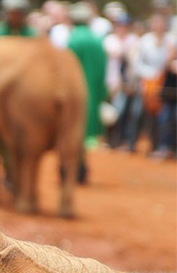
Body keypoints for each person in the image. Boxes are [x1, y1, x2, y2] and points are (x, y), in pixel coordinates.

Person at [67, 2, 107, 183]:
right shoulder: (97, 40)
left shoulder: (73, 40)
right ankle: (82, 167)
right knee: (85, 132)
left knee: (72, 131)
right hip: (93, 93)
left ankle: (74, 169)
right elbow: (103, 72)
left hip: (74, 94)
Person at [126, 14, 176, 153]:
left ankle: (157, 146)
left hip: (163, 85)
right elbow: (137, 63)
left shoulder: (171, 41)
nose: (158, 26)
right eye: (156, 23)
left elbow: (170, 63)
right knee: (137, 112)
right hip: (145, 83)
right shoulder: (144, 41)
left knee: (161, 117)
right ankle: (131, 143)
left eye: (161, 23)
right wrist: (150, 76)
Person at [104, 15, 139, 149]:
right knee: (109, 114)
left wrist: (129, 83)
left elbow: (132, 63)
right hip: (110, 82)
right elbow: (115, 53)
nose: (121, 28)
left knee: (122, 112)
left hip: (126, 84)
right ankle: (108, 139)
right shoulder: (110, 40)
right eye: (119, 25)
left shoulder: (133, 40)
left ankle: (120, 140)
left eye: (124, 25)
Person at [152, 47, 177, 159]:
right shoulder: (167, 62)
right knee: (163, 120)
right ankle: (163, 147)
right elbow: (159, 72)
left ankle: (173, 149)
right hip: (167, 98)